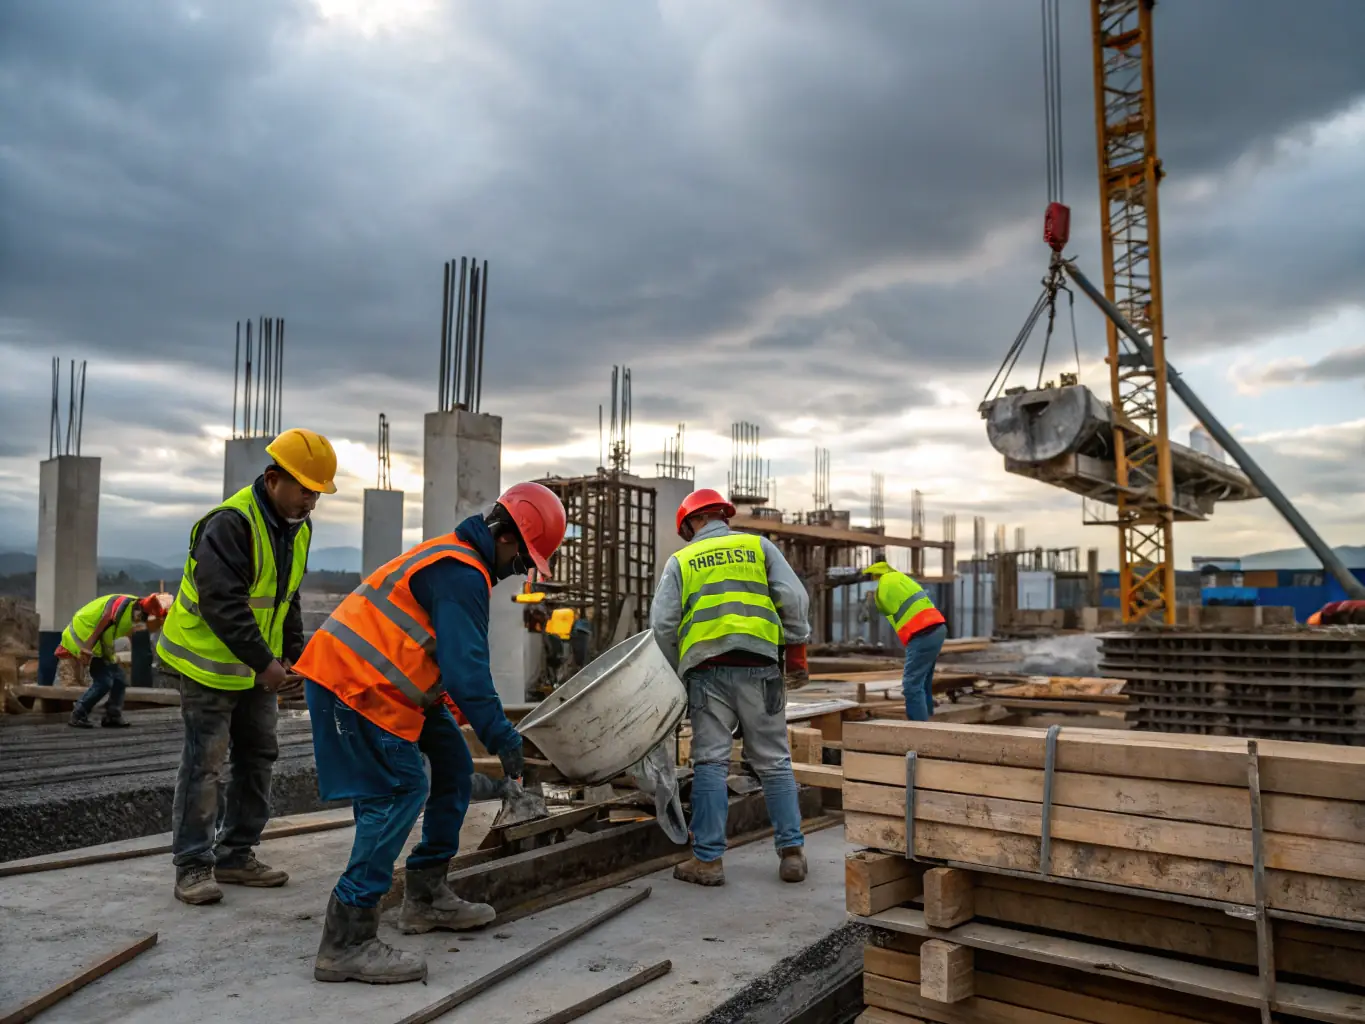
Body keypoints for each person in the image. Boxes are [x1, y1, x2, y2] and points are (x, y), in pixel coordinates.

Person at [295, 481, 566, 985]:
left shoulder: (459, 561)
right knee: (399, 789)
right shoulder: (460, 571)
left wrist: (454, 708)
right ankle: (347, 939)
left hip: (392, 688)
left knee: (453, 769)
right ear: (505, 537)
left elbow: (430, 649)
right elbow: (467, 668)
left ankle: (425, 896)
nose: (518, 572)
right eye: (523, 559)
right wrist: (501, 735)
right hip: (352, 684)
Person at [158, 427, 336, 906]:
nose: (310, 503)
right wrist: (265, 664)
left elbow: (286, 595)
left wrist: (292, 656)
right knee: (205, 765)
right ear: (274, 479)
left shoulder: (296, 528)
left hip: (254, 668)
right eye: (305, 491)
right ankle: (194, 865)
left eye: (317, 495)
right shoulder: (231, 524)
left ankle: (236, 853)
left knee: (258, 757)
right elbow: (223, 604)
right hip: (206, 665)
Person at [650, 487, 811, 888]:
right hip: (760, 665)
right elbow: (793, 596)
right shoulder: (758, 547)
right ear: (723, 515)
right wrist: (796, 651)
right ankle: (791, 854)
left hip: (708, 673)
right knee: (774, 760)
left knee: (710, 762)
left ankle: (708, 861)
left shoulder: (681, 560)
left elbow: (663, 626)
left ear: (690, 523)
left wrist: (672, 673)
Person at [62, 592, 172, 728]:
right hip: (85, 635)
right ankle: (78, 713)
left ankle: (112, 715)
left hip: (99, 641)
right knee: (104, 681)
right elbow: (104, 622)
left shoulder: (138, 611)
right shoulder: (125, 607)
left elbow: (134, 633)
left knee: (119, 679)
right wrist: (88, 648)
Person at [863, 561, 947, 721]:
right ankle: (929, 720)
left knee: (911, 686)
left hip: (921, 633)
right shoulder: (903, 578)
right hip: (937, 628)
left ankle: (919, 731)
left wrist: (870, 603)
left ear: (875, 575)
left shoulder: (884, 585)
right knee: (923, 680)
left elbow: (876, 611)